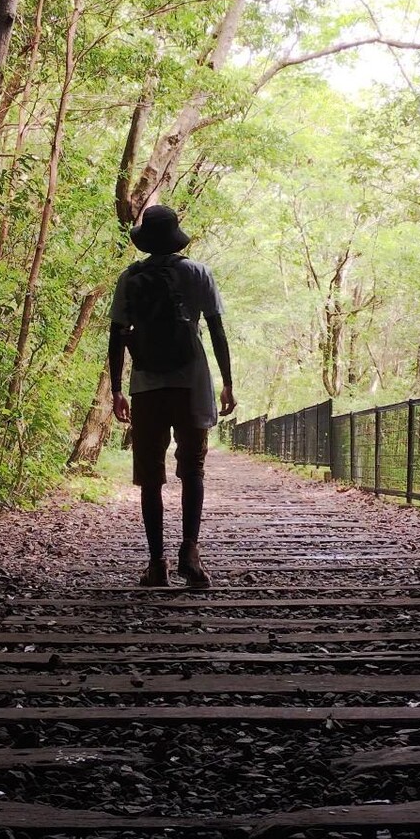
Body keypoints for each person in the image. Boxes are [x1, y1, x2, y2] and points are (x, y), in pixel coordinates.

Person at [108, 204, 236, 589]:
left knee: (150, 477)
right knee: (192, 469)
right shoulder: (198, 273)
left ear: (146, 240)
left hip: (146, 385)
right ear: (176, 236)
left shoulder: (130, 278)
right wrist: (227, 383)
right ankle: (190, 555)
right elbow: (216, 330)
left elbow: (116, 336)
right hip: (191, 382)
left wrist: (117, 390)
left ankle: (156, 564)